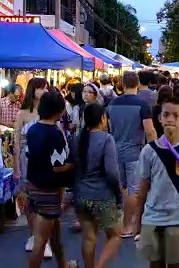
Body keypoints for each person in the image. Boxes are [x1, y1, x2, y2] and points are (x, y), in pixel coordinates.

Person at [135, 97, 179, 268]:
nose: (170, 119)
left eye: (175, 115)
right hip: (152, 217)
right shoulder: (149, 151)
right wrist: (137, 223)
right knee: (154, 264)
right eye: (166, 115)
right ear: (159, 118)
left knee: (176, 265)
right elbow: (142, 191)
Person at [24, 91, 76, 268]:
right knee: (41, 239)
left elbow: (28, 155)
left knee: (53, 231)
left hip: (32, 185)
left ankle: (64, 263)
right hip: (48, 189)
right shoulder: (54, 133)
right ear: (58, 110)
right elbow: (58, 166)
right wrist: (74, 164)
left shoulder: (32, 129)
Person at [70, 103, 122, 268]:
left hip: (81, 194)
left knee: (89, 237)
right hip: (102, 195)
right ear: (102, 119)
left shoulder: (77, 138)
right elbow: (112, 172)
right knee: (115, 236)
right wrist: (119, 194)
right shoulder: (107, 139)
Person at [107, 71, 158, 238]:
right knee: (134, 190)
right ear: (137, 84)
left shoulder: (112, 104)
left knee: (120, 188)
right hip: (135, 151)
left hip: (115, 150)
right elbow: (150, 130)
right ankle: (128, 225)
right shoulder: (142, 104)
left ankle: (119, 221)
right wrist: (155, 150)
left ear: (122, 83)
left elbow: (108, 127)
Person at [13, 77, 51, 256]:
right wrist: (16, 167)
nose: (44, 91)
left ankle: (44, 237)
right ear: (33, 90)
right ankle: (34, 234)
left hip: (45, 158)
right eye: (41, 88)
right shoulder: (23, 113)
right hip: (26, 158)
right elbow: (16, 142)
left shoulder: (48, 111)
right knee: (28, 198)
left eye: (45, 88)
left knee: (45, 196)